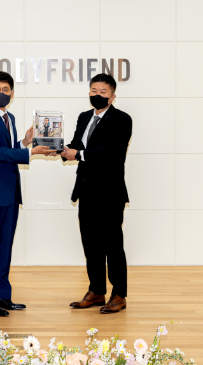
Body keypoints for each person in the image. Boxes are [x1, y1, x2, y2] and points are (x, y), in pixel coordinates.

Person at [0, 71, 52, 317]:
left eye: (5, 89)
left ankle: (2, 296)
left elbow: (8, 150)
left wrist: (25, 142)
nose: (1, 93)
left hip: (10, 191)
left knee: (4, 247)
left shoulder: (10, 117)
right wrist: (31, 153)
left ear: (12, 93)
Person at [53, 73, 132, 314]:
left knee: (113, 246)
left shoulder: (122, 119)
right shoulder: (84, 117)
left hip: (109, 192)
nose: (98, 95)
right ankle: (97, 291)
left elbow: (111, 153)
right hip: (86, 189)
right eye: (94, 91)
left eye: (103, 92)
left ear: (113, 96)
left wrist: (78, 155)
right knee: (91, 244)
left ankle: (119, 294)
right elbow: (78, 145)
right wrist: (59, 147)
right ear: (89, 92)